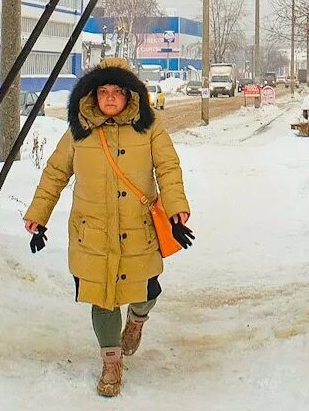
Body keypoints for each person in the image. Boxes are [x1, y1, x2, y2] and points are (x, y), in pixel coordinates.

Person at [24, 57, 191, 398]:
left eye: (117, 91)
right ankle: (111, 361)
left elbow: (168, 167)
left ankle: (137, 321)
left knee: (147, 293)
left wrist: (176, 208)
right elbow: (55, 173)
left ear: (131, 95)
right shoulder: (79, 129)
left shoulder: (150, 126)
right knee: (102, 299)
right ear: (93, 95)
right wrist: (38, 215)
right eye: (103, 91)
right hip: (92, 231)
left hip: (138, 228)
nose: (110, 98)